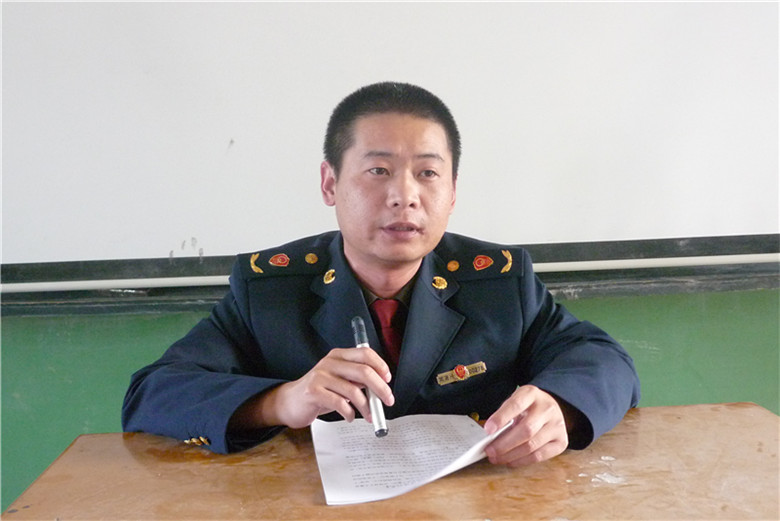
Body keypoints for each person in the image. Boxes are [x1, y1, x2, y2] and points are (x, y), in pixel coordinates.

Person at [122, 82, 640, 467]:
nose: (404, 195)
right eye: (378, 171)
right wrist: (281, 401)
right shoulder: (270, 291)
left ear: (452, 192)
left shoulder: (499, 283)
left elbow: (604, 361)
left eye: (428, 173)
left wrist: (560, 408)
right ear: (330, 183)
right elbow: (154, 393)